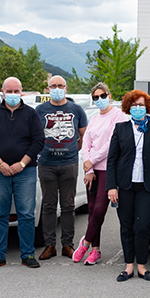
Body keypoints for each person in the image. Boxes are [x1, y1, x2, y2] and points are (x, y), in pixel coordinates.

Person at [0, 77, 44, 269]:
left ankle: (28, 254)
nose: (13, 94)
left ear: (22, 91)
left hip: (26, 171)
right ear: (2, 91)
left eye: (16, 91)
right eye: (10, 91)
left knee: (26, 214)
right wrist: (0, 163)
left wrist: (22, 164)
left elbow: (38, 141)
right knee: (0, 214)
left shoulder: (31, 114)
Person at [106, 90, 150, 281]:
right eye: (134, 105)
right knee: (127, 226)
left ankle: (142, 266)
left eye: (141, 105)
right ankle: (128, 266)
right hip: (124, 186)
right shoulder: (120, 128)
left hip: (147, 187)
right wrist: (111, 186)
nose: (138, 108)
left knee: (142, 226)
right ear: (128, 108)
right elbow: (112, 160)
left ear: (147, 107)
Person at [35, 75, 88, 260]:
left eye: (60, 85)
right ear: (47, 89)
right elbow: (35, 136)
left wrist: (72, 149)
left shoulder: (76, 109)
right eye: (53, 86)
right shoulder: (40, 110)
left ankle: (68, 245)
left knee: (68, 206)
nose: (56, 88)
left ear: (66, 88)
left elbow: (84, 136)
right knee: (48, 206)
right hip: (46, 164)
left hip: (69, 164)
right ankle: (50, 245)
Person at [73, 82, 126, 265]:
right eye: (95, 97)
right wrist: (89, 168)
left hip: (108, 169)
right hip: (92, 170)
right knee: (91, 210)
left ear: (109, 96)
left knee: (100, 209)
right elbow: (86, 143)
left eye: (102, 96)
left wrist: (92, 161)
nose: (99, 100)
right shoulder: (94, 119)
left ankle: (85, 241)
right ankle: (95, 250)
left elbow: (111, 144)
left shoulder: (119, 116)